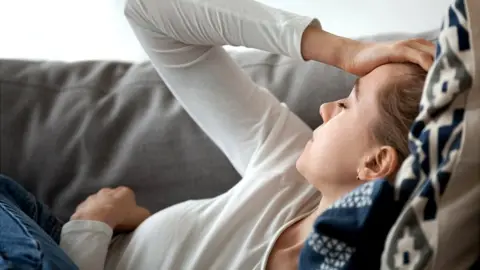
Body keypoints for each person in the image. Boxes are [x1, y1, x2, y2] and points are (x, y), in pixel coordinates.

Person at [0, 0, 435, 269]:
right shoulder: (284, 167)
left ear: (375, 162)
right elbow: (152, 10)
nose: (324, 107)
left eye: (347, 104)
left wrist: (90, 229)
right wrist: (343, 50)